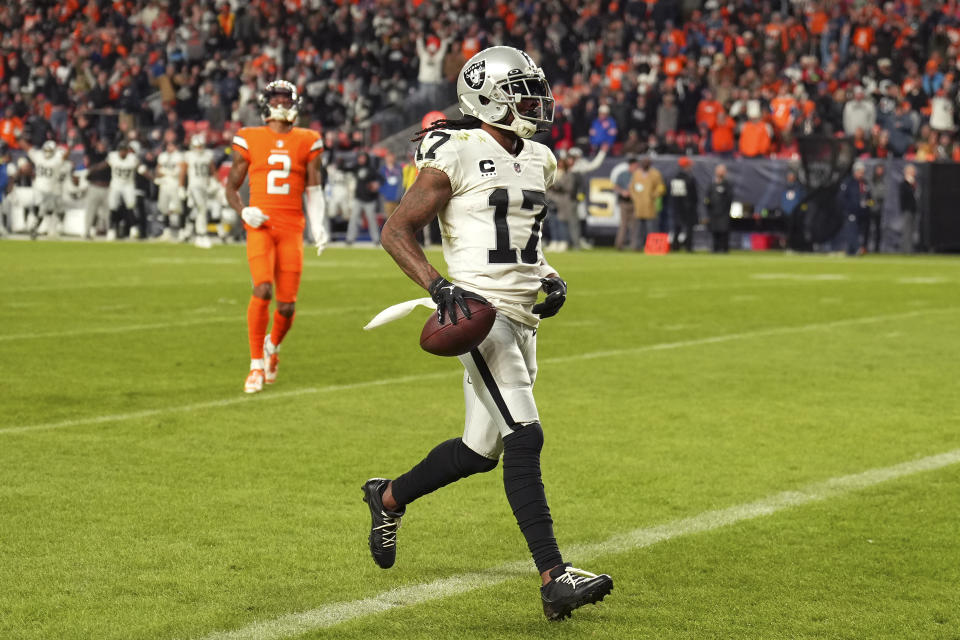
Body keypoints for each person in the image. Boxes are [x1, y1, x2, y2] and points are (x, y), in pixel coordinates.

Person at [364, 46, 613, 621]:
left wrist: (550, 275)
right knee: (525, 437)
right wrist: (437, 286)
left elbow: (522, 236)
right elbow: (397, 229)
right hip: (481, 314)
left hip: (522, 315)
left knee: (481, 450)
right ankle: (554, 577)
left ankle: (388, 497)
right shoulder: (455, 148)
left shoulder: (540, 158)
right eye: (523, 92)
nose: (536, 103)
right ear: (490, 97)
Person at [226, 80, 326, 394]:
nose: (281, 103)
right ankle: (256, 364)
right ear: (266, 103)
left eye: (286, 98)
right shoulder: (249, 137)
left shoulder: (308, 139)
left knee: (285, 307)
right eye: (277, 98)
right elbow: (230, 186)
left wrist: (319, 225)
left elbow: (314, 188)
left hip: (291, 227)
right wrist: (243, 211)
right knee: (262, 288)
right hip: (260, 224)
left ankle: (273, 347)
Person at [26, 141, 70, 239]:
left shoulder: (56, 161)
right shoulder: (56, 161)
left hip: (51, 189)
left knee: (50, 211)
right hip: (46, 189)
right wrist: (70, 147)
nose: (47, 152)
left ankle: (45, 229)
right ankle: (38, 228)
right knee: (42, 210)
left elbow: (28, 149)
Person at [185, 133, 216, 247]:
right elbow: (183, 172)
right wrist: (181, 187)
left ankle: (188, 232)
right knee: (201, 209)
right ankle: (201, 235)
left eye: (200, 146)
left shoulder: (207, 155)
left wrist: (214, 182)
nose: (199, 148)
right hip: (194, 186)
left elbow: (212, 170)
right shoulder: (189, 156)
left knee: (197, 211)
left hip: (204, 186)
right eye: (197, 146)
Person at [629, 156, 665, 251]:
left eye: (647, 162)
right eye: (643, 162)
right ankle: (637, 246)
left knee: (651, 228)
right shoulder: (637, 174)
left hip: (650, 204)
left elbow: (661, 187)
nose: (645, 164)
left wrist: (654, 195)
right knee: (638, 229)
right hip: (639, 205)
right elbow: (632, 187)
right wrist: (635, 197)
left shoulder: (655, 174)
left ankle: (653, 247)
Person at [345, 151, 381, 245]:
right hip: (358, 198)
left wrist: (376, 184)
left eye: (363, 157)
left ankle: (376, 239)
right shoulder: (356, 167)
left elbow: (380, 179)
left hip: (370, 199)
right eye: (360, 157)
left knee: (372, 220)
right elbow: (345, 169)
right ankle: (350, 239)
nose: (361, 159)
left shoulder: (371, 169)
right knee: (353, 219)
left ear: (366, 158)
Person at [155, 137, 186, 241]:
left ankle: (182, 231)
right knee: (164, 208)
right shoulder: (162, 156)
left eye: (171, 145)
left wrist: (181, 186)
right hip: (165, 184)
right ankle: (167, 231)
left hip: (175, 184)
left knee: (178, 209)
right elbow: (158, 170)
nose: (169, 147)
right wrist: (166, 173)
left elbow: (182, 172)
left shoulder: (179, 156)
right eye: (168, 145)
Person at [669, 156, 698, 252]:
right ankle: (688, 247)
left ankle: (675, 246)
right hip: (688, 207)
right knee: (689, 228)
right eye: (689, 165)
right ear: (685, 166)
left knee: (677, 227)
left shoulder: (675, 177)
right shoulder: (689, 179)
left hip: (677, 207)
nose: (690, 167)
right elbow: (693, 195)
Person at [704, 163, 733, 253]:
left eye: (722, 171)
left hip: (724, 212)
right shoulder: (712, 184)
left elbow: (729, 198)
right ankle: (715, 248)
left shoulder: (727, 184)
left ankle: (724, 248)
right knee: (714, 230)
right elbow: (707, 197)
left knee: (724, 230)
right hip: (713, 212)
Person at [898, 164, 919, 254]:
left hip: (913, 209)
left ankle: (910, 249)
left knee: (911, 231)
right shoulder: (904, 184)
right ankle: (906, 250)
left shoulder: (914, 183)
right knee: (907, 230)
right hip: (907, 209)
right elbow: (906, 196)